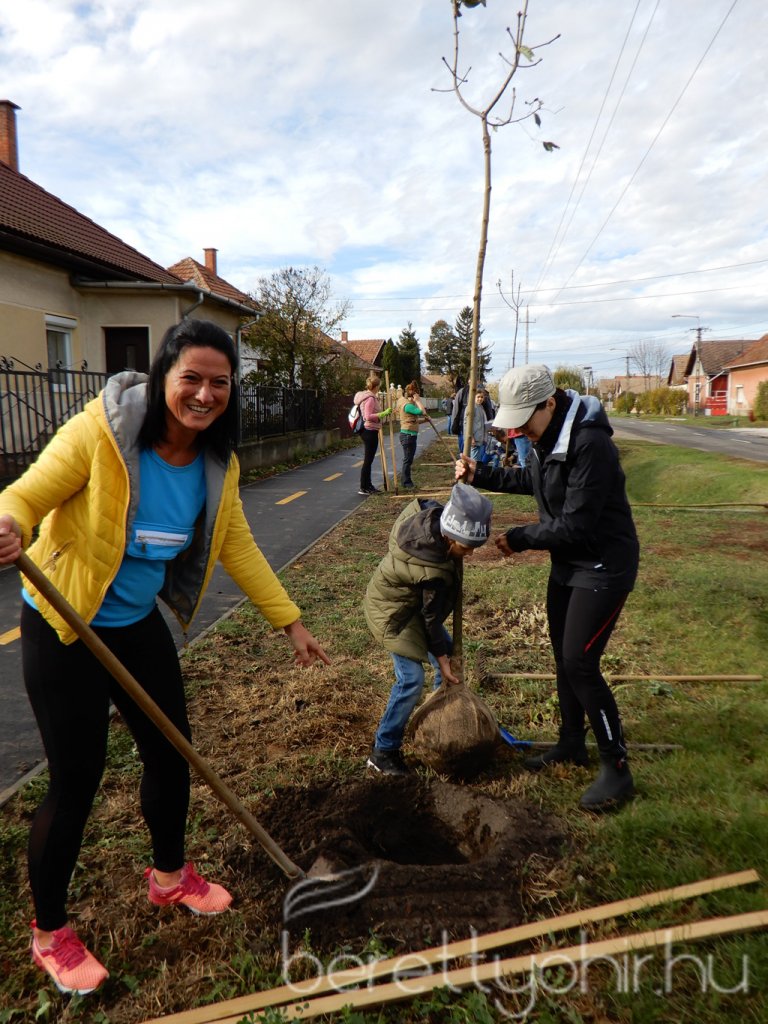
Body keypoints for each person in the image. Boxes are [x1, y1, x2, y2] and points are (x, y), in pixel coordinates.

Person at [0, 318, 330, 996]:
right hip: (64, 624)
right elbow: (28, 494)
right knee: (78, 777)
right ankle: (50, 935)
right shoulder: (102, 432)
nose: (205, 395)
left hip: (132, 624)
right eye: (191, 379)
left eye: (220, 383)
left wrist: (290, 623)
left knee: (170, 750)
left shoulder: (217, 464)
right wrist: (9, 523)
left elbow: (236, 546)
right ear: (162, 379)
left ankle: (170, 879)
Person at [455, 364, 639, 812]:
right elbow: (531, 481)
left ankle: (617, 769)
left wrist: (518, 538)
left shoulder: (590, 443)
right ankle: (571, 743)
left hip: (603, 565)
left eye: (524, 420)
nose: (518, 430)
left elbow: (575, 524)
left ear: (549, 404)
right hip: (569, 564)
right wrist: (480, 474)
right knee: (562, 656)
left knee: (580, 661)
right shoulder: (545, 437)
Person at [363, 482, 492, 775]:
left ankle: (440, 723)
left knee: (442, 660)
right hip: (394, 616)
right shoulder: (430, 567)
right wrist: (444, 659)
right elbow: (430, 619)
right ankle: (383, 751)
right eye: (467, 548)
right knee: (411, 679)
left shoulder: (433, 519)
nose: (469, 555)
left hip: (411, 610)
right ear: (450, 537)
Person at [353, 374, 391, 495]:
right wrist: (383, 413)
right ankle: (365, 487)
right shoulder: (370, 398)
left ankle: (367, 485)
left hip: (369, 430)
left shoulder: (367, 396)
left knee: (368, 460)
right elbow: (368, 416)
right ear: (376, 386)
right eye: (379, 386)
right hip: (369, 430)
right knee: (368, 460)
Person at [396, 380, 426, 489]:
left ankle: (406, 481)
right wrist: (418, 401)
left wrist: (425, 421)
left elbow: (412, 421)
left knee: (409, 459)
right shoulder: (407, 405)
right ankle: (406, 483)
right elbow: (422, 411)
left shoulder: (406, 403)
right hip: (408, 435)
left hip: (409, 434)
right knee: (407, 459)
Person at [470, 390, 488, 463]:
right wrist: (471, 437)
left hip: (480, 438)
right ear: (474, 397)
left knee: (478, 460)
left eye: (481, 397)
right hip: (474, 439)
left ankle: (476, 473)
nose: (480, 399)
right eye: (478, 397)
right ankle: (472, 474)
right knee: (474, 460)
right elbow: (467, 424)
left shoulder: (481, 407)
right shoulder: (471, 408)